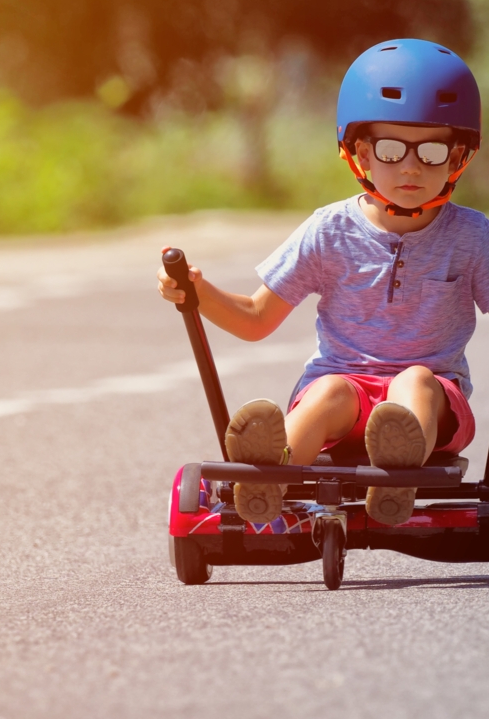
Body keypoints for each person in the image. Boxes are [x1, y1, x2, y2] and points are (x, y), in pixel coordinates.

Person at [157, 38, 489, 527]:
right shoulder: (329, 230)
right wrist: (198, 292)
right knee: (329, 388)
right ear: (359, 152)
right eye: (392, 149)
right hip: (345, 394)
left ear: (459, 155)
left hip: (433, 402)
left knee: (414, 381)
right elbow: (254, 319)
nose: (412, 166)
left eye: (433, 150)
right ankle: (268, 480)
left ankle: (395, 478)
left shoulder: (473, 235)